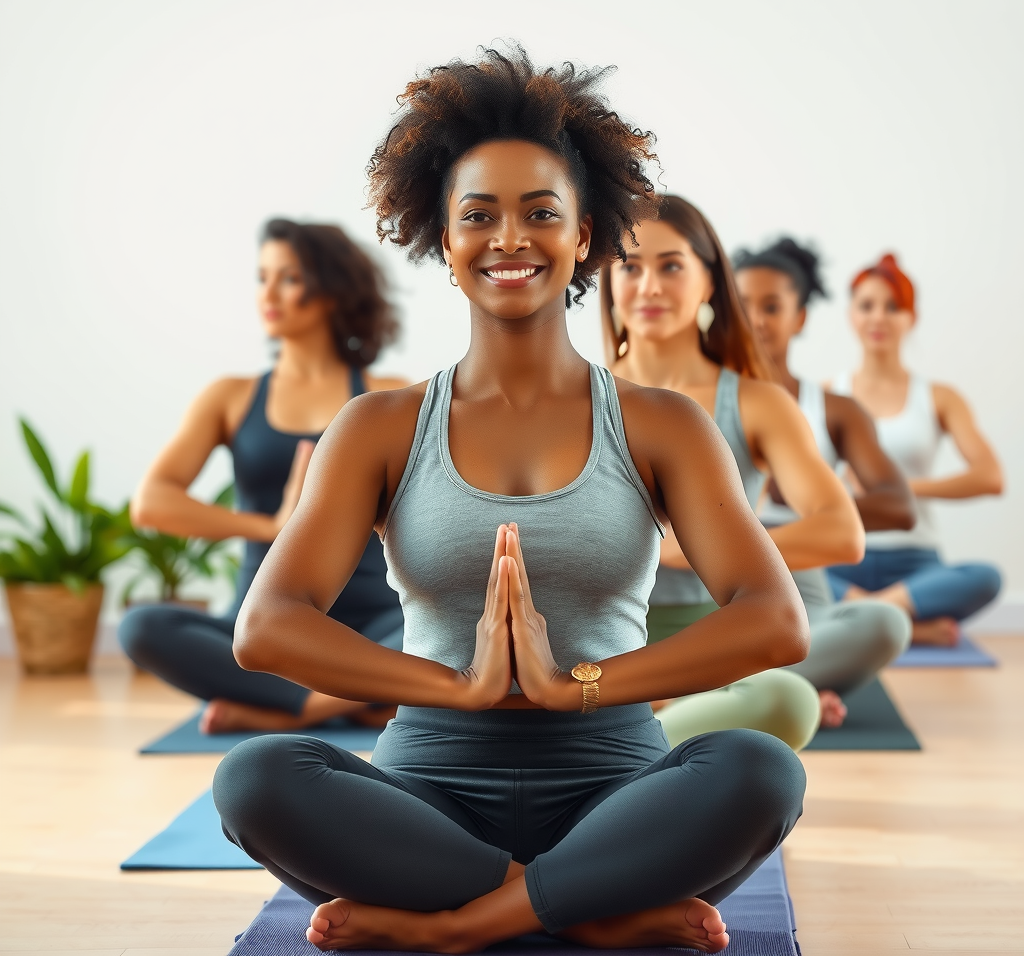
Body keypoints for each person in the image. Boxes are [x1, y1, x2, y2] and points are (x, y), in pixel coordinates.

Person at [212, 47, 808, 955]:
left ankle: (463, 925)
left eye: (541, 213)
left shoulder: (662, 426)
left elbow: (775, 622)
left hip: (617, 792)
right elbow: (267, 628)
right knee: (254, 778)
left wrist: (579, 688)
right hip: (427, 800)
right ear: (441, 239)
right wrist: (461, 687)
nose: (509, 238)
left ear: (585, 237)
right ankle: (593, 911)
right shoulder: (379, 426)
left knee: (760, 769)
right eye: (478, 215)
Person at [119, 218, 407, 733]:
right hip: (267, 619)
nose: (268, 293)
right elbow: (152, 501)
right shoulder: (230, 396)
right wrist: (268, 527)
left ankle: (290, 711)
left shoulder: (386, 393)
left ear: (332, 291)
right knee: (141, 626)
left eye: (290, 278)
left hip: (377, 623)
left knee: (448, 623)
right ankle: (362, 702)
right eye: (262, 277)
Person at [604, 198, 876, 738]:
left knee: (794, 694)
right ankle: (657, 726)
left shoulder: (757, 402)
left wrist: (695, 550)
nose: (650, 286)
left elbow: (841, 532)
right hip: (600, 646)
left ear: (709, 282)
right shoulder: (568, 395)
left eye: (672, 266)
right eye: (630, 267)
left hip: (712, 639)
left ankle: (645, 731)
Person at [733, 238, 914, 721]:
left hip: (805, 589)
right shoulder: (695, 400)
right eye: (743, 305)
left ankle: (755, 695)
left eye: (772, 307)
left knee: (886, 623)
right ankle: (785, 695)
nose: (756, 319)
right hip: (722, 585)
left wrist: (812, 512)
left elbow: (899, 506)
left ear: (799, 318)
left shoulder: (834, 409)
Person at [826, 253, 1003, 646]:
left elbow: (990, 477)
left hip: (916, 563)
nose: (879, 318)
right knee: (780, 570)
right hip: (843, 553)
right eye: (866, 305)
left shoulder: (939, 397)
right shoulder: (825, 394)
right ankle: (909, 628)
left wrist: (901, 488)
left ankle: (865, 614)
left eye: (893, 307)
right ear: (851, 315)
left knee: (988, 577)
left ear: (912, 317)